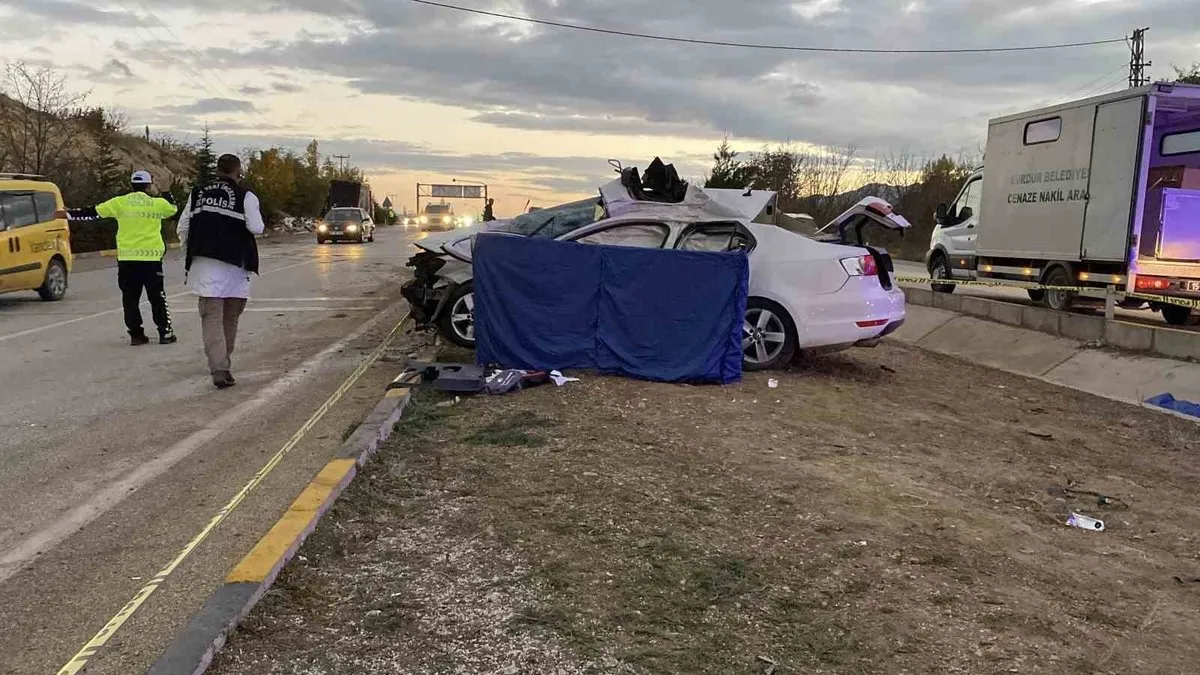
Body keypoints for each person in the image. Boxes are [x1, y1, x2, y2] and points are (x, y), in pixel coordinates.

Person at [57, 170, 179, 345]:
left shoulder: (120, 202)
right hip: (151, 260)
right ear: (148, 186)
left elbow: (94, 212)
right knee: (157, 297)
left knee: (130, 299)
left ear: (132, 185)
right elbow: (173, 209)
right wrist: (166, 191)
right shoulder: (157, 203)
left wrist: (70, 214)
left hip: (127, 260)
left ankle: (136, 335)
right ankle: (165, 333)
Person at [177, 154, 265, 389]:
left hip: (205, 266)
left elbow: (183, 227)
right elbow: (256, 227)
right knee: (230, 317)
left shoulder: (197, 193)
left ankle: (219, 367)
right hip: (235, 267)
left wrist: (191, 251)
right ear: (238, 171)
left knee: (211, 317)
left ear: (217, 170)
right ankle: (224, 364)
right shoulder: (246, 196)